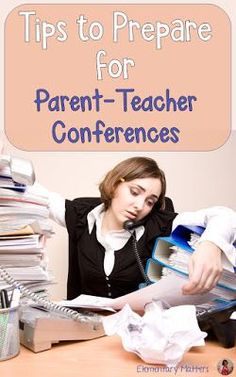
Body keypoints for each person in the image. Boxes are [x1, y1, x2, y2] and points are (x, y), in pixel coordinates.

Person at [28, 156, 236, 300]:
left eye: (150, 201)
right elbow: (32, 191)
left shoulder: (159, 223)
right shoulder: (80, 216)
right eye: (135, 192)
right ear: (115, 184)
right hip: (87, 335)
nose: (139, 206)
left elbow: (225, 215)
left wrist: (211, 245)